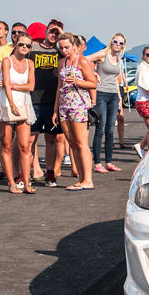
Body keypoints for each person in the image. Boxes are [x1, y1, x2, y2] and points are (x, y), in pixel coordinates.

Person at [53, 33, 97, 191]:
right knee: (72, 143)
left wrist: (78, 81)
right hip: (64, 105)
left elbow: (93, 83)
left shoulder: (82, 61)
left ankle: (88, 180)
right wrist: (55, 110)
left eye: (67, 47)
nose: (64, 50)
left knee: (81, 143)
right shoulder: (61, 62)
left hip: (78, 104)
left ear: (74, 46)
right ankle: (81, 179)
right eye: (61, 48)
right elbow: (59, 87)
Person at [0, 32, 36, 193]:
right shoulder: (7, 61)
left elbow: (31, 86)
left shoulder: (29, 63)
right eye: (21, 44)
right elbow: (5, 84)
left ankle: (26, 183)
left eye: (28, 45)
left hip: (24, 104)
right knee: (6, 145)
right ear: (15, 45)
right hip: (6, 103)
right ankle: (11, 183)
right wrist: (12, 103)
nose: (24, 47)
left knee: (25, 146)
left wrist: (13, 86)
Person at [27, 21, 64, 187]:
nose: (54, 35)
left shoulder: (60, 51)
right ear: (46, 31)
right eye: (51, 31)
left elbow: (75, 52)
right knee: (30, 140)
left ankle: (50, 173)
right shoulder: (32, 48)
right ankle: (26, 174)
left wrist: (61, 35)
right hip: (33, 100)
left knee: (51, 139)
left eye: (57, 33)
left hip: (52, 102)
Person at [86, 33, 126, 173]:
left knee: (110, 130)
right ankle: (97, 163)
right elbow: (85, 60)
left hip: (113, 95)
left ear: (123, 46)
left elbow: (115, 79)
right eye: (115, 41)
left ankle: (109, 162)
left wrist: (119, 99)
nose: (117, 44)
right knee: (100, 129)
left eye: (121, 43)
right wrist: (93, 73)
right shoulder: (103, 54)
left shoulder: (119, 59)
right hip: (101, 94)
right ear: (111, 42)